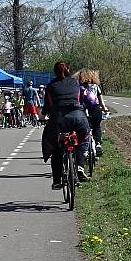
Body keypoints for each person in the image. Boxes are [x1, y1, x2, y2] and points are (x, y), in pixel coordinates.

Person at [41, 61, 90, 190]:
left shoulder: (51, 86)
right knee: (82, 140)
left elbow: (47, 105)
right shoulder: (75, 83)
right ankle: (79, 166)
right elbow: (80, 101)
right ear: (68, 69)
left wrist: (43, 115)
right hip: (78, 118)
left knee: (56, 148)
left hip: (58, 120)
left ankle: (57, 180)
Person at [75, 68, 109, 157]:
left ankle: (83, 149)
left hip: (82, 111)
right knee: (96, 126)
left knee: (82, 130)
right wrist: (105, 109)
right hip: (96, 110)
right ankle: (98, 143)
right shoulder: (95, 87)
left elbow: (76, 101)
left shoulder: (78, 87)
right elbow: (101, 101)